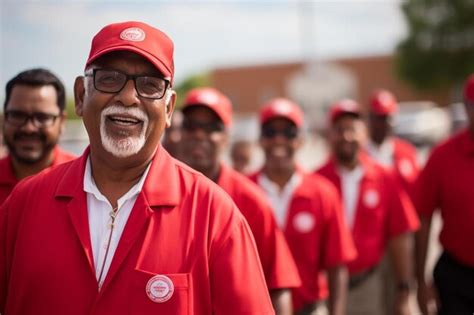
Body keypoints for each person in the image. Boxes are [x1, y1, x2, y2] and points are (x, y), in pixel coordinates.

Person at [0, 21, 274, 315]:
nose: (128, 98)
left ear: (168, 109)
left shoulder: (214, 215)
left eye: (149, 85)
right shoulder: (24, 203)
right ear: (81, 97)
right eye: (109, 79)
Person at [179, 87, 302, 315]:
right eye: (191, 126)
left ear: (226, 137)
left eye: (211, 128)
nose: (199, 134)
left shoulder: (251, 200)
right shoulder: (156, 191)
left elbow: (279, 284)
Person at [249, 98, 357, 315]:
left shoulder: (323, 193)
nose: (279, 140)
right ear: (260, 139)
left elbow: (337, 266)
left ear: (300, 140)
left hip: (310, 308)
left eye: (288, 132)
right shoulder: (241, 191)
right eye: (270, 132)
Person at [316, 99, 420, 315]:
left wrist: (404, 290)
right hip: (324, 292)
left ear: (364, 133)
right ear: (330, 135)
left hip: (368, 286)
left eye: (352, 129)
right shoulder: (317, 181)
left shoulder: (384, 177)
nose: (346, 136)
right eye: (339, 129)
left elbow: (400, 235)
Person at [414, 74, 474, 315]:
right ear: (466, 108)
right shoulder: (442, 157)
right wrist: (419, 282)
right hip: (456, 275)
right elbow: (424, 219)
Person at [0, 68, 76, 204]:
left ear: (62, 121)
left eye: (42, 117)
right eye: (18, 115)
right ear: (4, 118)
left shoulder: (82, 181)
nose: (29, 128)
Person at [366, 89, 420, 199]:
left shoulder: (407, 152)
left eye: (388, 118)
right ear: (370, 118)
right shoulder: (359, 154)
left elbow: (417, 190)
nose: (385, 123)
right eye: (380, 118)